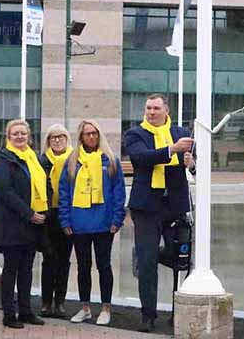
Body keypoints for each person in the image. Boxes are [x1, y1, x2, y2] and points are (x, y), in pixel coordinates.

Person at [124, 93, 194, 332]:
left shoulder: (181, 133)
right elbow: (142, 158)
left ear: (166, 110)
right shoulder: (136, 134)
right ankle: (148, 314)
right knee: (147, 263)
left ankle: (178, 310)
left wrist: (191, 162)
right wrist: (172, 150)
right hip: (146, 208)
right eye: (148, 108)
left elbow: (198, 163)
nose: (151, 112)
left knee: (182, 258)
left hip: (174, 206)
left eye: (156, 108)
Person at [58, 120, 126, 326]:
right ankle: (85, 307)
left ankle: (106, 307)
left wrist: (117, 218)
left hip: (104, 223)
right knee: (83, 267)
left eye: (95, 133)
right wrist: (65, 219)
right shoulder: (72, 161)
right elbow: (63, 193)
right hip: (79, 223)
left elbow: (118, 192)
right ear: (81, 137)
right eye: (87, 134)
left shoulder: (111, 160)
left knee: (104, 266)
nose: (91, 137)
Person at [0, 120, 48, 329]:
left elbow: (42, 185)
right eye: (15, 133)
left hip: (31, 225)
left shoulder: (32, 158)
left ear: (29, 136)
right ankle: (9, 314)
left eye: (23, 133)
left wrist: (41, 213)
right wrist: (29, 213)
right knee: (11, 270)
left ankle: (25, 311)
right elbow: (5, 192)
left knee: (26, 270)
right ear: (8, 137)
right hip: (13, 224)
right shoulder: (4, 160)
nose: (19, 136)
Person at [38, 124, 73, 318]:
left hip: (67, 214)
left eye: (61, 137)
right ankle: (46, 302)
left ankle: (60, 302)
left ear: (67, 139)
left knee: (64, 260)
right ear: (48, 141)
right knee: (49, 258)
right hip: (48, 215)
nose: (57, 140)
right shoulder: (42, 160)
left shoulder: (74, 159)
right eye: (53, 137)